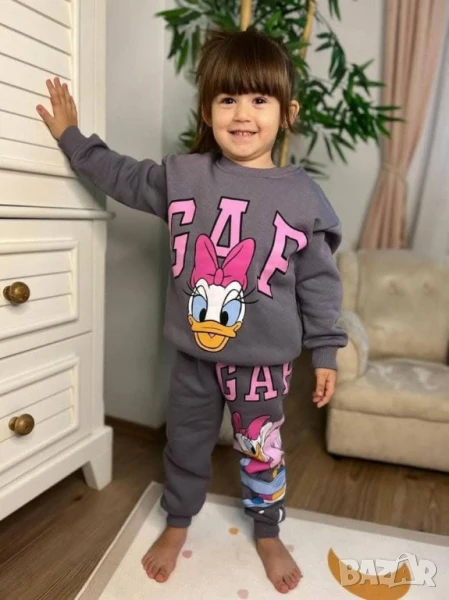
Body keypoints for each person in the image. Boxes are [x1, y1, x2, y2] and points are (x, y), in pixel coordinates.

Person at [37, 28, 347, 595]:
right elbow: (124, 176)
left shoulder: (305, 198)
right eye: (228, 99)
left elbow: (320, 283)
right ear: (208, 111)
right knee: (184, 443)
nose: (242, 113)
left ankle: (268, 531)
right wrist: (71, 138)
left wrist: (326, 350)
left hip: (263, 365)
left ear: (288, 113)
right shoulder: (184, 177)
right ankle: (178, 520)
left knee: (262, 451)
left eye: (259, 99)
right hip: (194, 356)